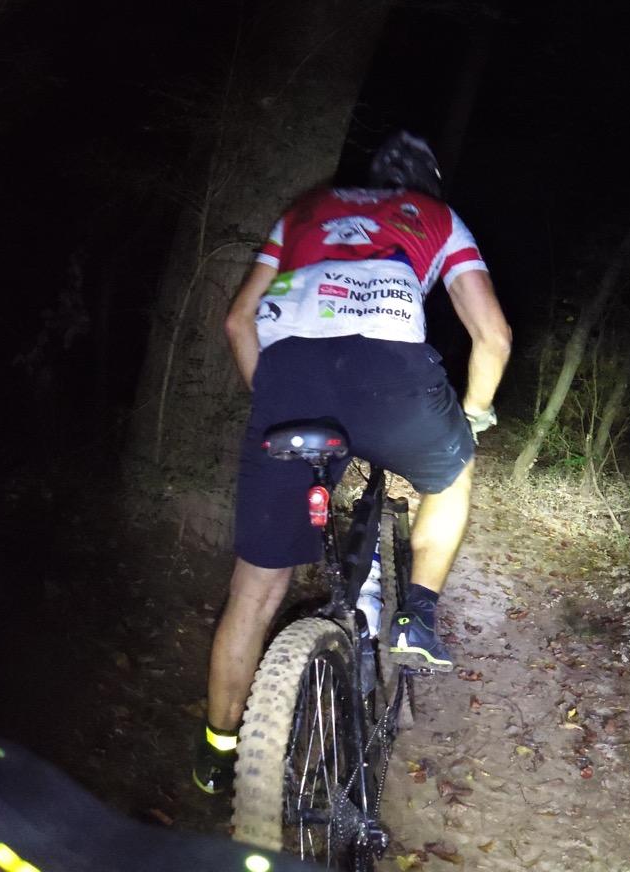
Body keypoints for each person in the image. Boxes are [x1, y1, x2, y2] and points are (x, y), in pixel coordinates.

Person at [193, 132, 511, 794]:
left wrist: (276, 406)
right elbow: (493, 336)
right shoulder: (436, 218)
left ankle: (218, 755)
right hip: (389, 377)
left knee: (253, 591)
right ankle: (416, 614)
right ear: (426, 185)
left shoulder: (306, 210)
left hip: (291, 379)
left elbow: (236, 323)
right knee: (454, 473)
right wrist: (473, 417)